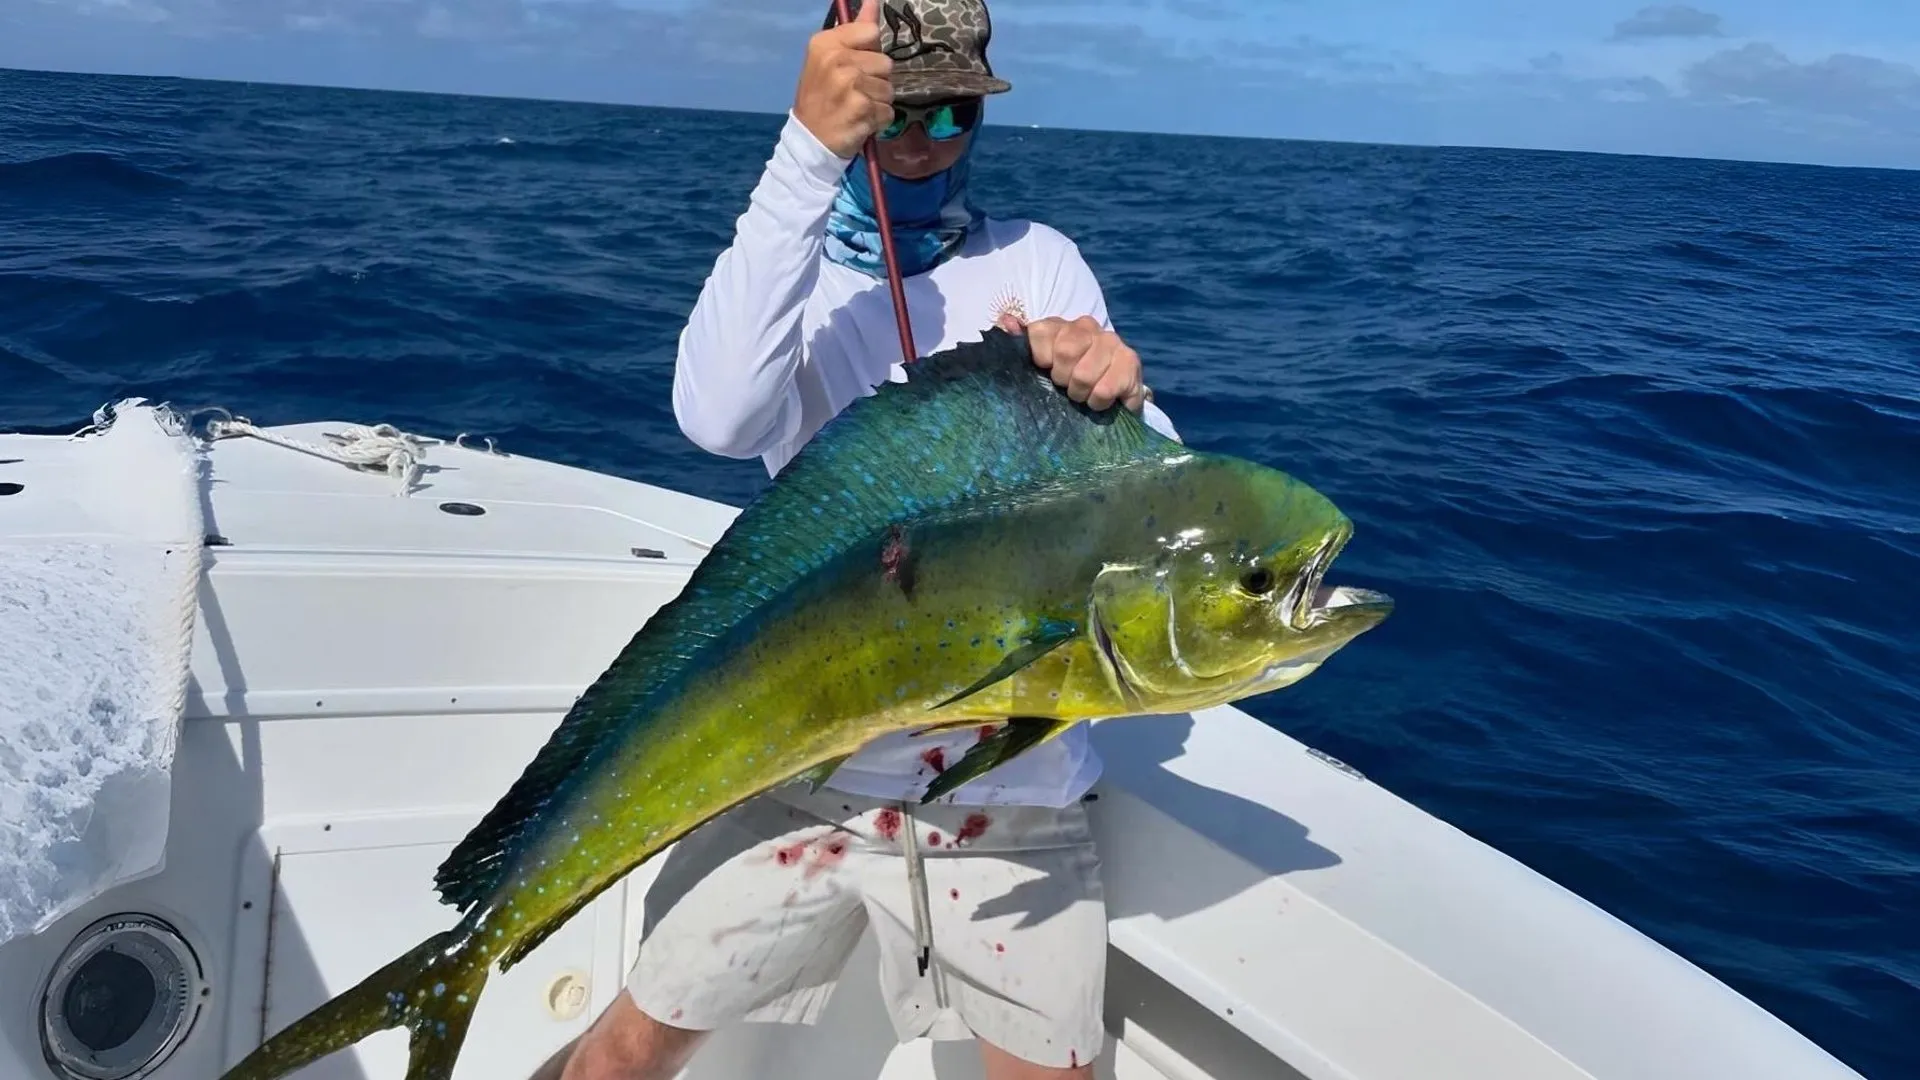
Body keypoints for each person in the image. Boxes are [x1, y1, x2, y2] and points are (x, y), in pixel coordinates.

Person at [533, 1, 1180, 1077]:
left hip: (1010, 786)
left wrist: (1122, 389)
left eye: (951, 112)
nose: (922, 139)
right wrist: (806, 150)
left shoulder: (1040, 261)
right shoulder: (797, 276)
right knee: (621, 1056)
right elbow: (718, 420)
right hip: (804, 759)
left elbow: (1154, 488)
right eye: (895, 111)